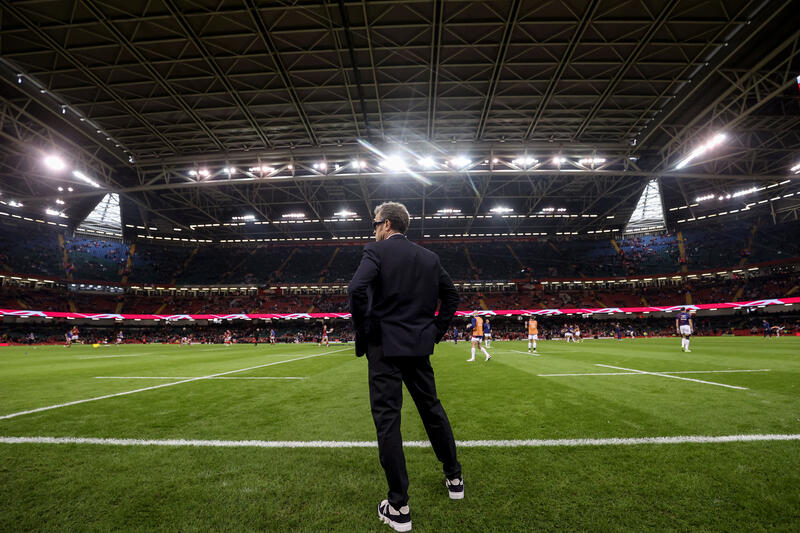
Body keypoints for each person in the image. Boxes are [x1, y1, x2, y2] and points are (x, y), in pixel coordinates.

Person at [348, 201, 462, 532]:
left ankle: (399, 505)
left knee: (388, 421)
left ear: (386, 225)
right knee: (431, 409)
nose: (372, 230)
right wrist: (435, 332)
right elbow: (452, 296)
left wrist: (365, 329)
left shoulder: (376, 252)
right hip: (417, 346)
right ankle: (454, 477)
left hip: (384, 347)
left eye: (374, 224)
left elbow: (356, 289)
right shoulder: (429, 258)